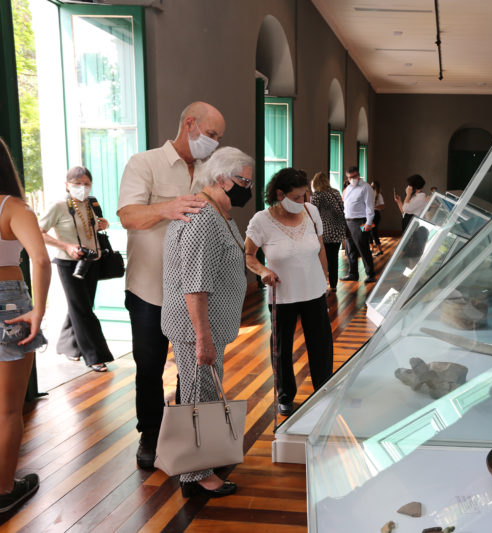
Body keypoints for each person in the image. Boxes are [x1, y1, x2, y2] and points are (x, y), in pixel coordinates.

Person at [118, 101, 225, 470]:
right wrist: (168, 207)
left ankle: (183, 433)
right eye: (211, 134)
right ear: (190, 124)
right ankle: (150, 433)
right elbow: (128, 216)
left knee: (191, 368)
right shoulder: (144, 163)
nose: (213, 142)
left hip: (192, 291)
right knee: (149, 366)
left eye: (218, 138)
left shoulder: (211, 171)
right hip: (149, 289)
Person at [161, 147, 253, 498]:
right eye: (243, 180)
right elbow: (195, 285)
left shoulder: (218, 212)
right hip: (196, 327)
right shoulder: (202, 218)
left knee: (204, 392)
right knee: (199, 395)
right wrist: (203, 338)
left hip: (209, 325)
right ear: (221, 179)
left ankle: (201, 459)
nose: (247, 187)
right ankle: (195, 476)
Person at [245, 168, 333, 417]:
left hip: (314, 291)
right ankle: (285, 395)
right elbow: (249, 255)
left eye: (305, 195)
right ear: (279, 194)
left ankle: (323, 390)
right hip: (282, 295)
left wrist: (325, 279)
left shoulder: (311, 211)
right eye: (296, 197)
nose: (302, 202)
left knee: (321, 345)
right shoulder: (261, 221)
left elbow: (321, 249)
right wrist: (262, 271)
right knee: (281, 348)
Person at [0, 138, 50, 514]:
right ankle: (3, 491)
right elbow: (41, 259)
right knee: (7, 410)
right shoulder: (12, 207)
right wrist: (39, 310)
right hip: (9, 303)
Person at [39, 166, 114, 372]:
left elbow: (89, 228)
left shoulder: (91, 204)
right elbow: (40, 232)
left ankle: (69, 347)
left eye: (86, 184)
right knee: (82, 309)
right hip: (69, 263)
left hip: (92, 260)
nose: (82, 187)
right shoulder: (58, 206)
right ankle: (96, 355)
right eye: (77, 184)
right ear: (67, 185)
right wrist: (67, 246)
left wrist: (101, 224)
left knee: (81, 306)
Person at [310, 172, 346, 292]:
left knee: (322, 259)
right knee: (334, 259)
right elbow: (343, 207)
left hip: (325, 232)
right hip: (338, 230)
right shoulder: (335, 192)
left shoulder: (317, 195)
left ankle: (322, 285)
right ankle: (334, 285)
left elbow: (312, 212)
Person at [341, 166, 376, 283]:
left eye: (354, 176)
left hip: (360, 221)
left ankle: (370, 274)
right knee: (350, 250)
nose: (352, 179)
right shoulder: (348, 188)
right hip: (348, 221)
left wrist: (369, 223)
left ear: (358, 175)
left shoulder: (366, 187)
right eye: (349, 177)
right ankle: (353, 273)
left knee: (363, 248)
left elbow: (370, 207)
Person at [370, 180, 385, 256]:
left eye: (372, 186)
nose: (371, 187)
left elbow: (382, 206)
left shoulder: (379, 195)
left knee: (373, 233)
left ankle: (380, 250)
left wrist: (373, 207)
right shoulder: (370, 194)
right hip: (370, 215)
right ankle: (371, 249)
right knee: (368, 232)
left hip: (375, 215)